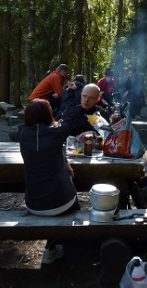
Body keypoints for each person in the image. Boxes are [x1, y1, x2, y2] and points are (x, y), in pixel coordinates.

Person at [18, 98, 97, 264]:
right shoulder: (57, 132)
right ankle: (64, 244)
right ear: (48, 114)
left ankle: (53, 247)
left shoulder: (22, 133)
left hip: (33, 204)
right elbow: (70, 120)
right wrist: (80, 104)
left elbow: (49, 133)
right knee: (69, 188)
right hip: (61, 204)